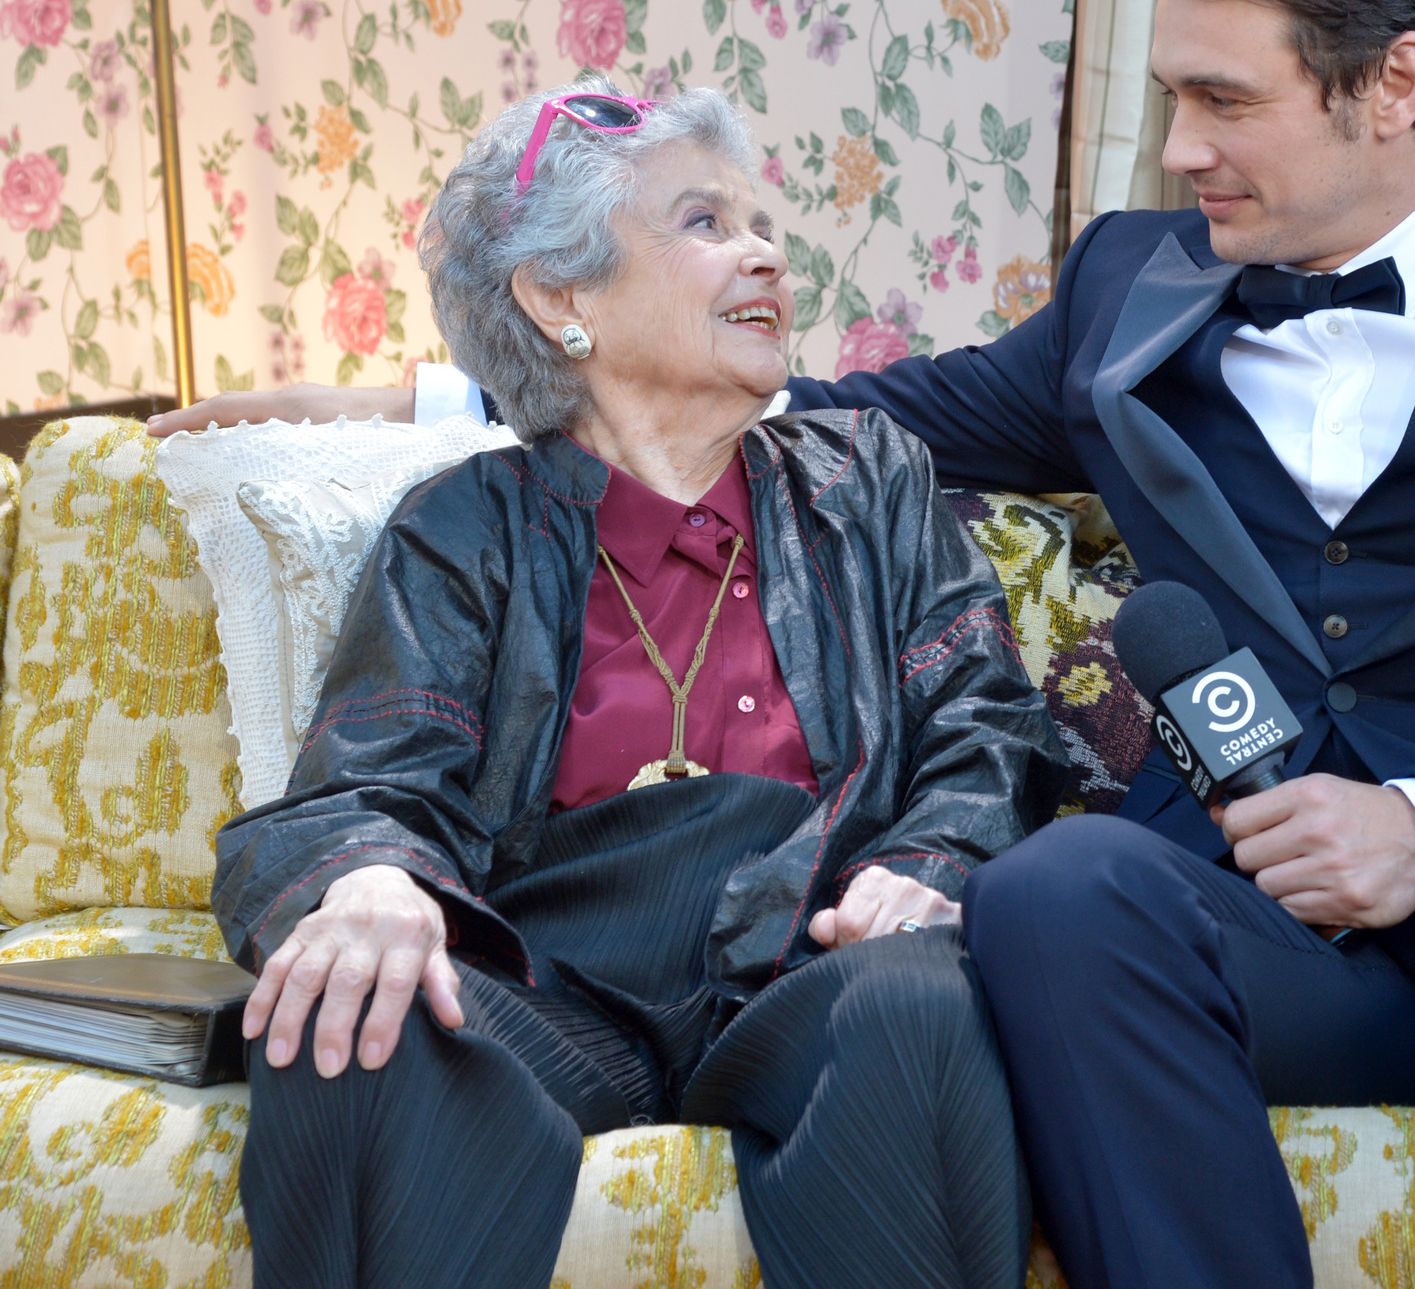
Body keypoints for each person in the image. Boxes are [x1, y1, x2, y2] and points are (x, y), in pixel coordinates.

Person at [162, 0, 1415, 1289]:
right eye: (1168, 96)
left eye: (1220, 99)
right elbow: (795, 398)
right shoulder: (1136, 288)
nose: (1178, 147)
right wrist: (434, 390)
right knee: (1051, 891)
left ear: (1391, 83)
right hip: (1265, 952)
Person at [207, 82, 1066, 1289]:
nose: (765, 250)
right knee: (356, 1022)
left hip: (814, 956)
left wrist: (924, 874)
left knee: (919, 1007)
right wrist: (370, 882)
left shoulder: (866, 479)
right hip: (549, 976)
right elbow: (363, 781)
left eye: (763, 224)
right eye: (705, 222)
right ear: (562, 299)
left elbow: (983, 718)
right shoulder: (466, 528)